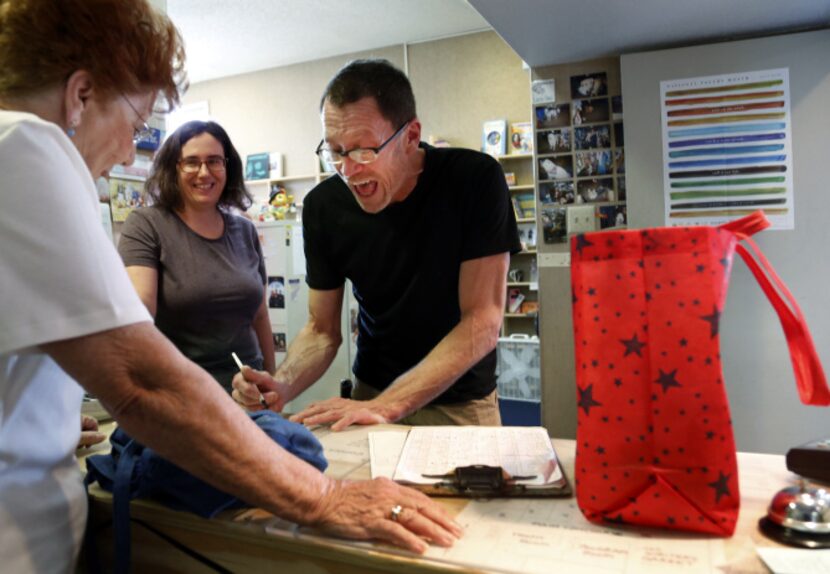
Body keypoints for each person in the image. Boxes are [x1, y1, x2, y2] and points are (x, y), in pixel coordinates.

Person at [0, 2, 460, 571]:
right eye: (138, 124)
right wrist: (325, 496)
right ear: (81, 95)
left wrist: (41, 419)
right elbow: (143, 381)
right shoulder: (24, 148)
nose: (127, 151)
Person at [233, 59, 520, 430]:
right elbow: (321, 330)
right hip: (370, 394)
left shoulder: (473, 180)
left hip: (459, 403)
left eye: (363, 150)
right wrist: (281, 385)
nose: (348, 170)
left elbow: (482, 321)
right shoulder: (324, 206)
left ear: (411, 136)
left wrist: (389, 405)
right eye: (335, 151)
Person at [118, 121, 276, 393]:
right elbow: (140, 310)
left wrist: (273, 385)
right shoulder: (146, 225)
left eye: (214, 161)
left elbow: (260, 316)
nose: (204, 172)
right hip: (183, 393)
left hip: (250, 390)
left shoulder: (245, 230)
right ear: (173, 167)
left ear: (227, 167)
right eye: (191, 162)